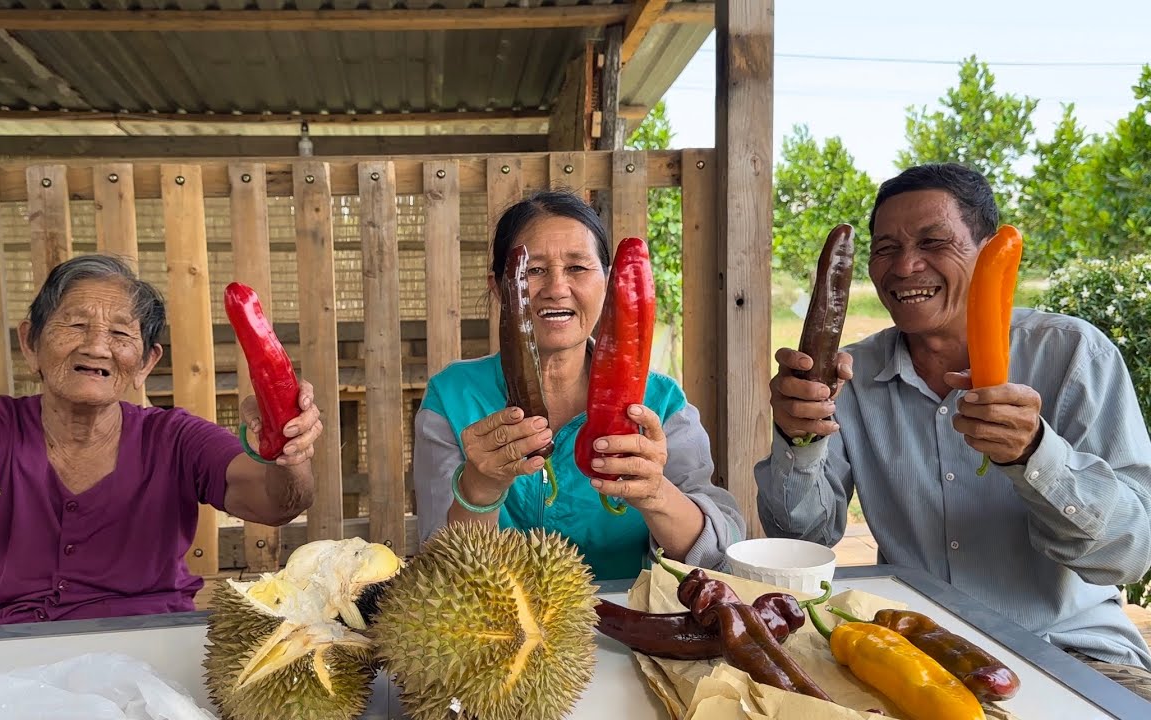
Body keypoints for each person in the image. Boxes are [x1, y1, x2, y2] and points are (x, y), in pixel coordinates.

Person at [756, 163, 1151, 699]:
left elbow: (1129, 553)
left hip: (1069, 650)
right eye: (886, 248)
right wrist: (797, 439)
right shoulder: (855, 376)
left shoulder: (1074, 354)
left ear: (988, 251)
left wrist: (1036, 455)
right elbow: (805, 541)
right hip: (916, 653)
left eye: (933, 241)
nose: (906, 266)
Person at [0, 255, 324, 628]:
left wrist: (285, 451)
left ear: (145, 362)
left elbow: (276, 504)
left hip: (148, 647)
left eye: (122, 334)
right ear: (31, 344)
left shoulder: (174, 439)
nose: (97, 347)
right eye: (75, 325)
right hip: (3, 652)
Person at [412, 190, 745, 581]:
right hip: (499, 631)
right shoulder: (452, 398)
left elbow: (722, 560)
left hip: (631, 634)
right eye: (533, 271)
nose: (556, 288)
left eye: (577, 268)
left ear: (607, 282)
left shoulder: (660, 403)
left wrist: (656, 495)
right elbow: (437, 572)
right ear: (499, 288)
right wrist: (479, 489)